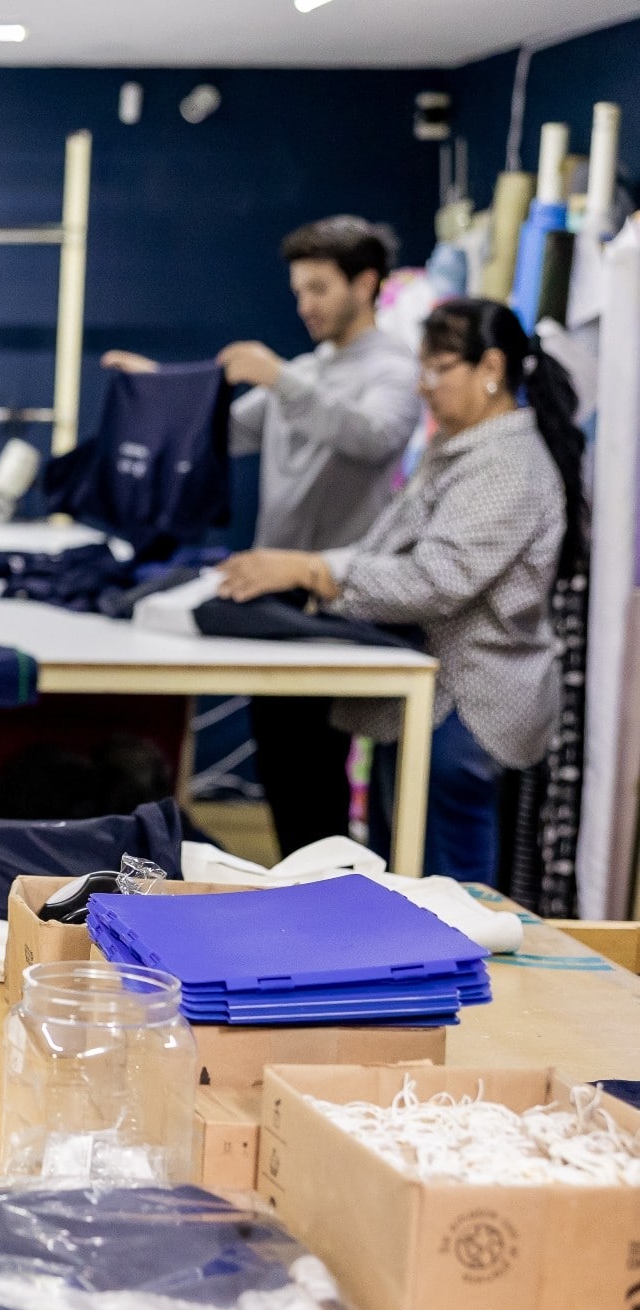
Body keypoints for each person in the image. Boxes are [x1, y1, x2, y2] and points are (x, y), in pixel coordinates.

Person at [216, 298, 584, 882]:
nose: (423, 386)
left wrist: (313, 571)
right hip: (433, 702)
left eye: (438, 369)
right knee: (409, 877)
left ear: (491, 367)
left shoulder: (505, 463)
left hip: (468, 706)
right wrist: (310, 567)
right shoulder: (458, 451)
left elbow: (438, 580)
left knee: (450, 895)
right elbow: (390, 551)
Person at [104, 217, 423, 856]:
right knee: (287, 768)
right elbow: (222, 430)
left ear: (366, 284)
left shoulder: (393, 369)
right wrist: (160, 387)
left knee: (313, 779)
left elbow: (373, 435)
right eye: (298, 292)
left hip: (338, 602)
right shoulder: (308, 368)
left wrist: (279, 377)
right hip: (275, 596)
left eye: (319, 289)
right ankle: (310, 902)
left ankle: (331, 910)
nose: (304, 305)